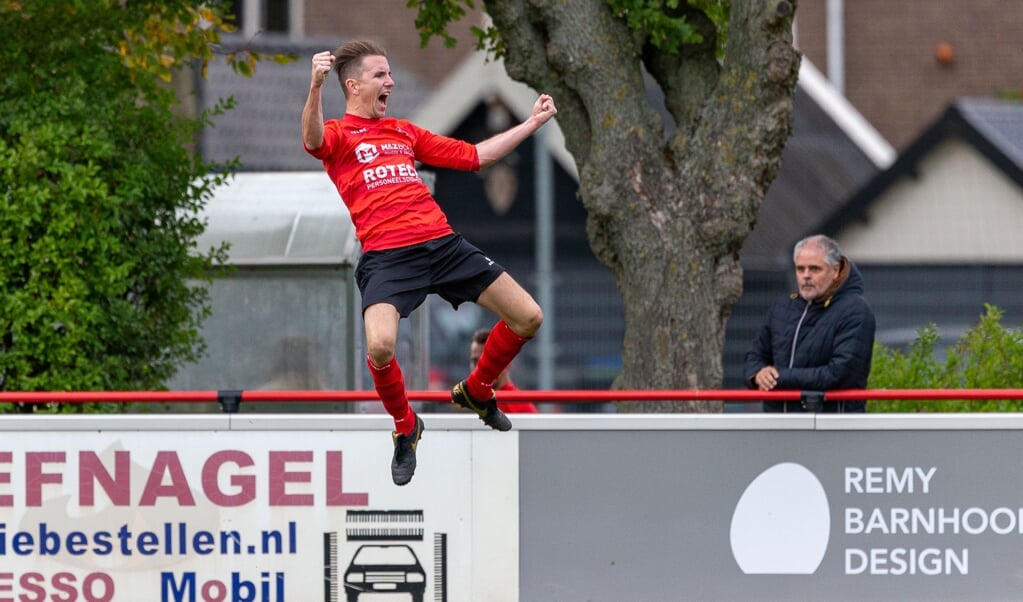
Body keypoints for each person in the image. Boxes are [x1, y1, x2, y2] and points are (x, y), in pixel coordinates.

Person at [301, 40, 557, 486]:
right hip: (386, 257)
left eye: (390, 74)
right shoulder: (340, 135)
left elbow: (477, 155)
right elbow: (312, 139)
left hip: (442, 245)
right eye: (381, 75)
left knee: (529, 316)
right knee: (379, 347)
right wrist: (315, 87)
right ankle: (406, 427)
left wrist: (532, 122)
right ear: (353, 84)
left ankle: (478, 390)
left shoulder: (404, 131)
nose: (391, 82)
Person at [743, 234, 876, 413]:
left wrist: (778, 377)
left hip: (832, 426)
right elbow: (756, 355)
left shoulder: (856, 310)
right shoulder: (782, 306)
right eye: (800, 269)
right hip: (777, 424)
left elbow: (839, 373)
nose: (806, 276)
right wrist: (758, 375)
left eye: (814, 269)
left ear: (835, 270)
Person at [469, 327, 539, 414]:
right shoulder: (466, 401)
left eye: (489, 360)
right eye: (475, 361)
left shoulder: (520, 408)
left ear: (507, 362)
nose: (481, 367)